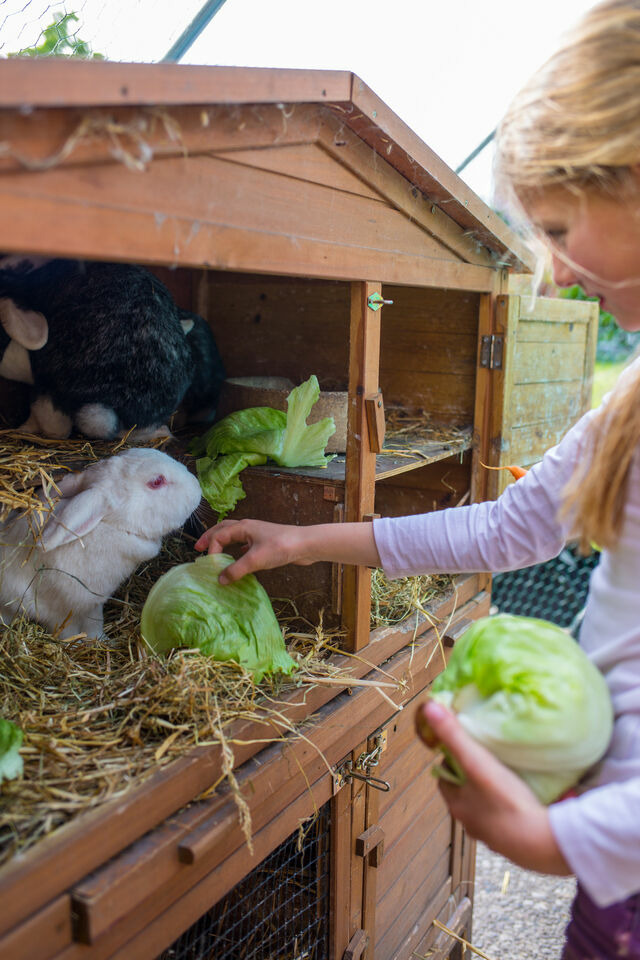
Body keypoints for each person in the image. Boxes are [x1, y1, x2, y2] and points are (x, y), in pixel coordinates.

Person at [195, 2, 640, 955]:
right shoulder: (628, 411)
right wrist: (304, 540)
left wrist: (556, 837)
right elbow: (504, 529)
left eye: (560, 225)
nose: (553, 277)